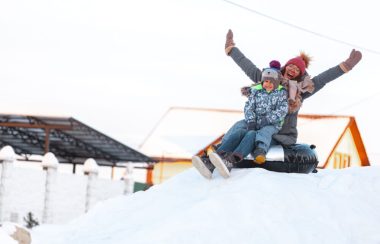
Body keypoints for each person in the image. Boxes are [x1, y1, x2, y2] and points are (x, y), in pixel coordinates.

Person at [192, 29, 362, 179]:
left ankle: (230, 159)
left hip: (278, 134)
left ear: (300, 75)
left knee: (251, 135)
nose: (293, 70)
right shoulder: (269, 80)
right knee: (240, 126)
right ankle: (211, 159)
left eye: (297, 70)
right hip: (257, 126)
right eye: (291, 66)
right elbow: (248, 66)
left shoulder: (301, 91)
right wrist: (231, 49)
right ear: (285, 67)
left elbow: (323, 79)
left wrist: (345, 66)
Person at [206, 61, 288, 178]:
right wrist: (251, 121)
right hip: (254, 121)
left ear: (276, 83)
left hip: (270, 123)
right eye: (266, 81)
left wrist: (268, 119)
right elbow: (249, 107)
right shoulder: (256, 92)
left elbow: (282, 110)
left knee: (255, 134)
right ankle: (218, 153)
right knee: (239, 127)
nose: (268, 85)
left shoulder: (280, 93)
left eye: (271, 82)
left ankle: (241, 156)